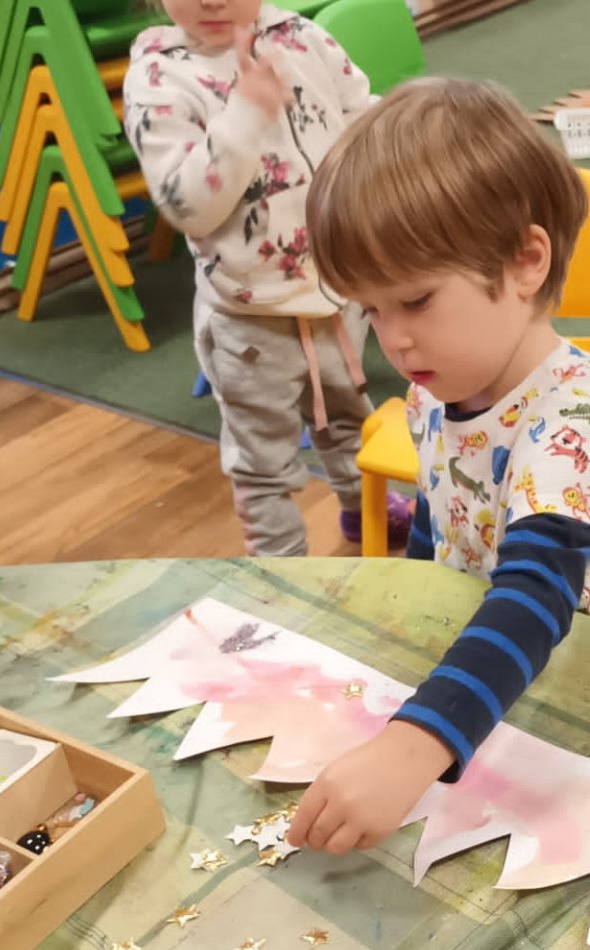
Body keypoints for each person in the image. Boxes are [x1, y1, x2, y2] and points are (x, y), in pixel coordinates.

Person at [289, 77, 590, 854]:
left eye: (416, 301)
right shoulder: (439, 388)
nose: (393, 340)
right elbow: (444, 512)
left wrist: (409, 747)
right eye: (372, 310)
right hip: (488, 694)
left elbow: (534, 598)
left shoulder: (570, 429)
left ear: (526, 262)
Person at [125, 0, 410, 555]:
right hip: (249, 316)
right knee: (262, 463)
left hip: (336, 287)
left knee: (349, 418)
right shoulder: (158, 80)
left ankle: (363, 511)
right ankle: (281, 570)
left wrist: (405, 142)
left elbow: (360, 118)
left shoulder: (302, 38)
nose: (211, 1)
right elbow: (189, 208)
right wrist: (245, 114)